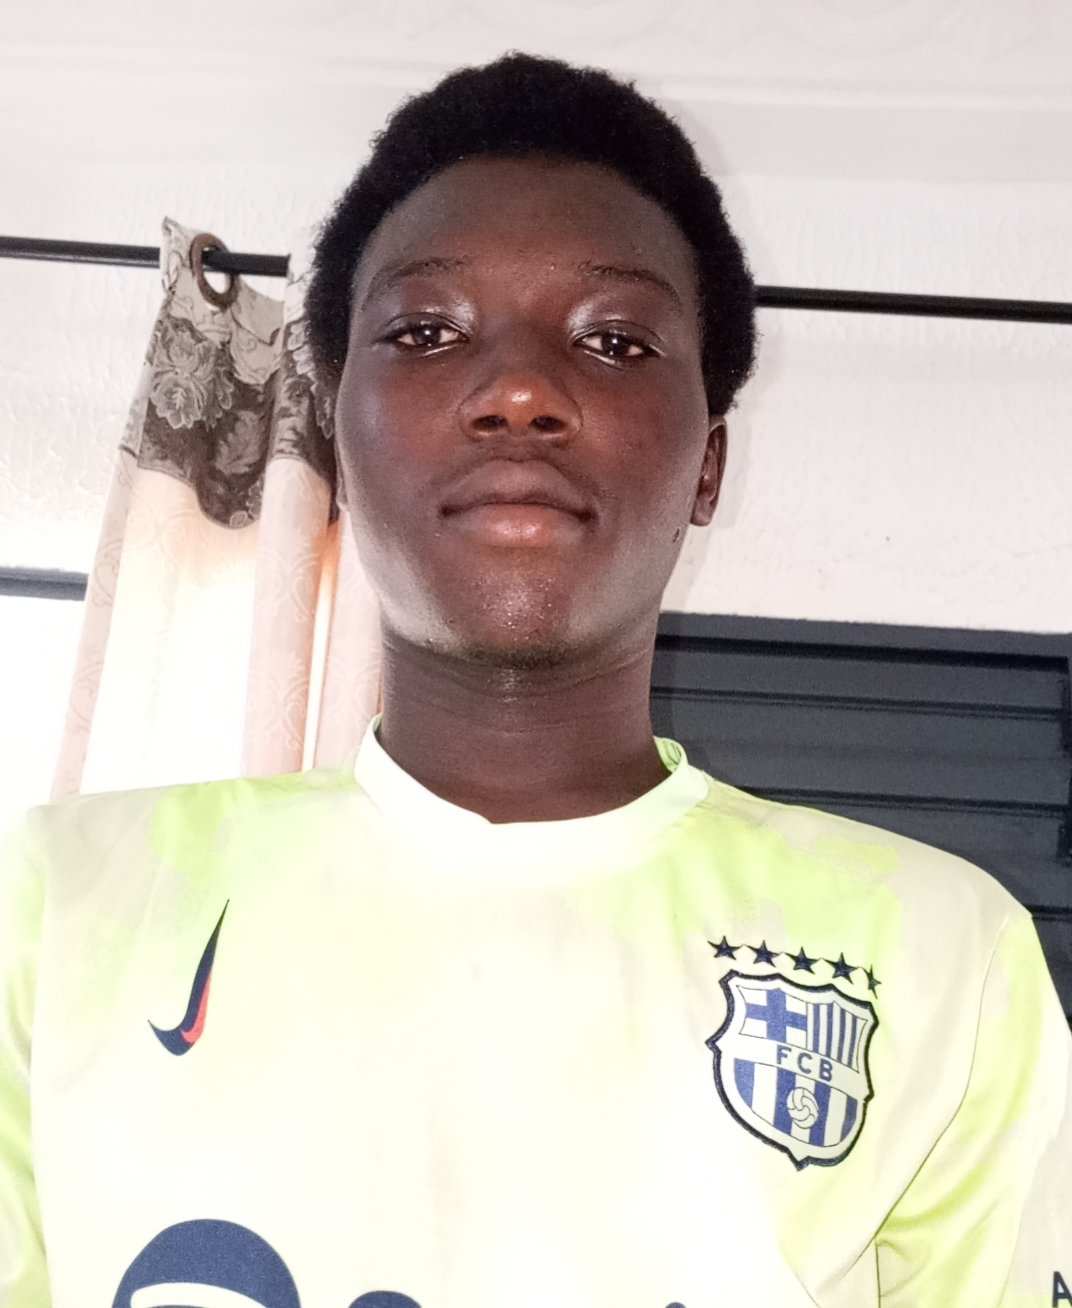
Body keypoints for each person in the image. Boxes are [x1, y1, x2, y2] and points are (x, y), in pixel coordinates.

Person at [1, 50, 1069, 1308]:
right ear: (336, 431)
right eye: (426, 332)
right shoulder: (50, 910)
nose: (516, 392)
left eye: (613, 340)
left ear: (707, 464)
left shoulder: (944, 958)